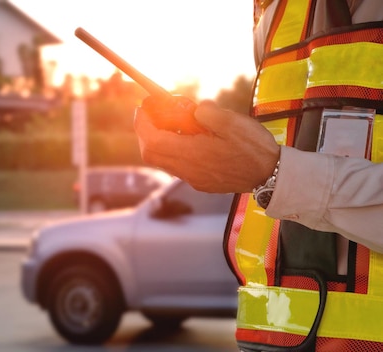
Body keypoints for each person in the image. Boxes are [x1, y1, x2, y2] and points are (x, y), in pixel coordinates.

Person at [134, 1, 383, 351]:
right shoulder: (278, 17)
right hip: (274, 339)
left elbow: (274, 166)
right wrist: (217, 144)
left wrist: (274, 172)